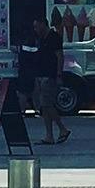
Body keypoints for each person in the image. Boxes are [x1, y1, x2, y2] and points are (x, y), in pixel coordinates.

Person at [36, 10, 71, 145]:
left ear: (43, 25)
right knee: (44, 108)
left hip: (50, 76)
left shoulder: (54, 37)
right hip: (41, 75)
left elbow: (60, 56)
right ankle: (49, 135)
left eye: (37, 26)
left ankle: (62, 128)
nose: (35, 29)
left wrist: (58, 75)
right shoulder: (41, 38)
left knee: (47, 104)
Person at [14, 15, 45, 134]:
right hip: (33, 70)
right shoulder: (34, 41)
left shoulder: (25, 41)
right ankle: (37, 110)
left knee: (23, 92)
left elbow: (23, 52)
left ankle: (23, 111)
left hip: (24, 70)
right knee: (34, 91)